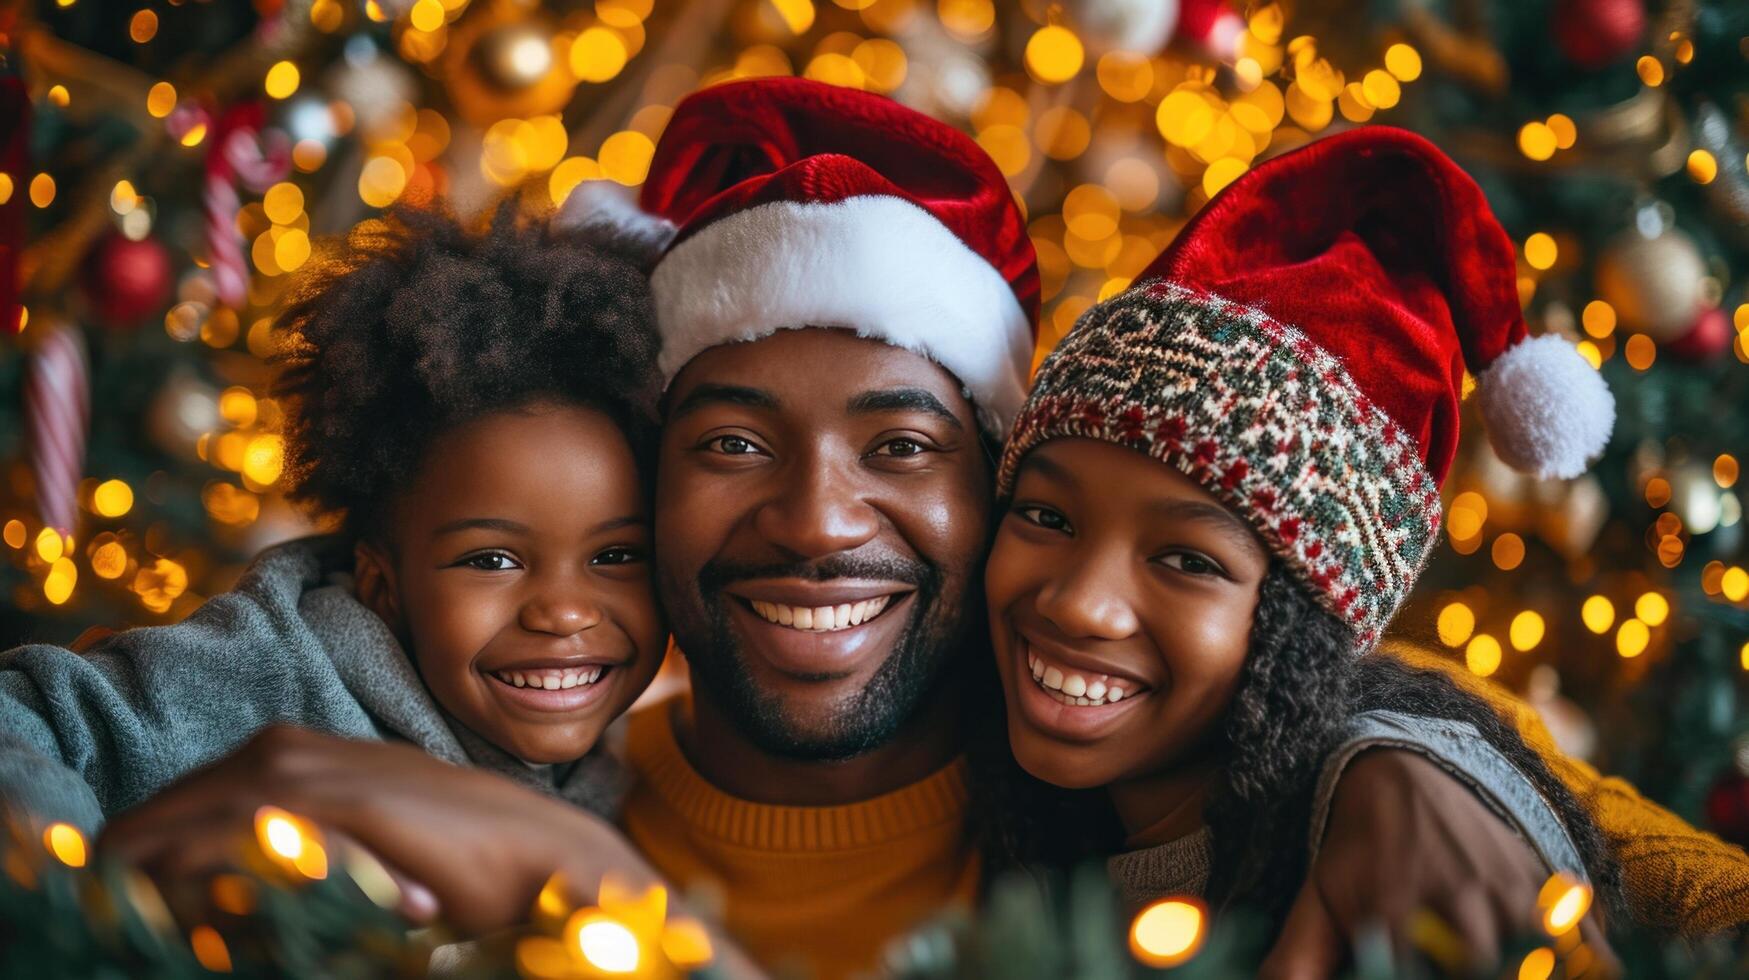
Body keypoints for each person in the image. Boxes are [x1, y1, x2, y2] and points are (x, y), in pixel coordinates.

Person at [97, 81, 1749, 978]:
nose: (815, 521)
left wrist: (1417, 760)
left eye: (899, 446)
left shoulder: (1187, 798)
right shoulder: (439, 778)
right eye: (730, 441)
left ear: (989, 484)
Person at [980, 127, 1626, 964]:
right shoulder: (1014, 812)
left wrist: (1414, 768)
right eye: (1046, 518)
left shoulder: (1373, 872)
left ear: (1307, 629)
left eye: (1188, 561)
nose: (1077, 602)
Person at [0, 205, 667, 835]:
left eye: (615, 556)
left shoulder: (620, 775)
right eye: (491, 560)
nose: (563, 613)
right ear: (382, 585)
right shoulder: (256, 677)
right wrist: (76, 913)